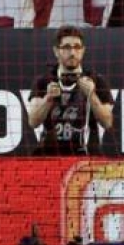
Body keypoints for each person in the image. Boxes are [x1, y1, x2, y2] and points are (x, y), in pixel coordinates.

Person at [27, 26, 114, 155]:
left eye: (77, 47)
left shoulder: (97, 80)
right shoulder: (44, 81)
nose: (72, 52)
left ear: (83, 50)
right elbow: (33, 122)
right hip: (50, 155)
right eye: (66, 47)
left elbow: (107, 123)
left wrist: (92, 96)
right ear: (56, 51)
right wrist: (48, 99)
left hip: (86, 156)